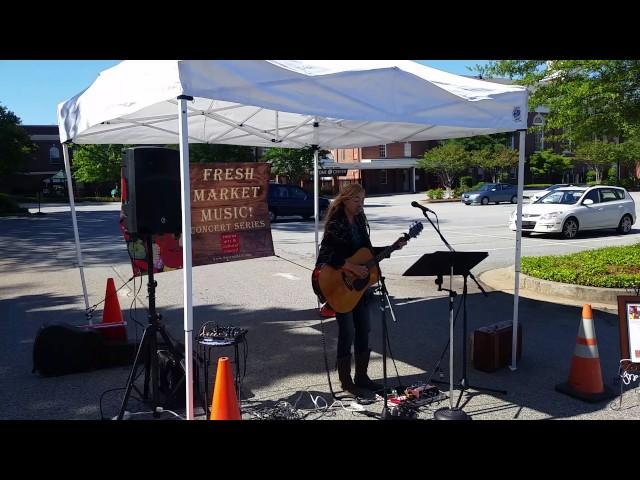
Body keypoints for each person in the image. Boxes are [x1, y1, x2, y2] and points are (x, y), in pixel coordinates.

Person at [315, 183, 406, 396]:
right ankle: (346, 382)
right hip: (340, 285)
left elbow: (366, 252)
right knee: (347, 332)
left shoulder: (359, 220)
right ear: (344, 200)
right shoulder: (336, 223)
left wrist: (391, 247)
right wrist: (349, 266)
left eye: (363, 201)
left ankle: (362, 377)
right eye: (356, 201)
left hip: (360, 288)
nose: (360, 205)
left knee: (364, 329)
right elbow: (325, 255)